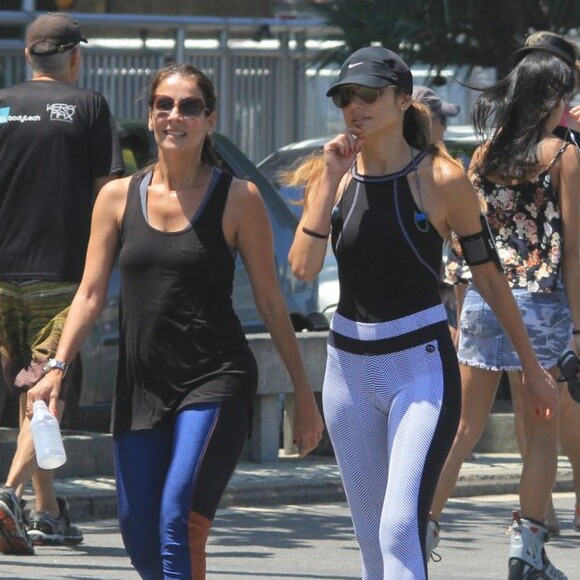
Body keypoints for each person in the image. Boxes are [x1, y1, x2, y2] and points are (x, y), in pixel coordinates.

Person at [26, 62, 324, 579]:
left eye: (189, 106)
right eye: (164, 104)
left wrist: (303, 396)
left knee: (176, 520)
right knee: (139, 532)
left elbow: (272, 303)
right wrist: (56, 366)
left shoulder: (238, 198)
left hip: (215, 380)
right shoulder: (117, 198)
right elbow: (90, 293)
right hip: (141, 385)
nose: (175, 115)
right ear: (151, 115)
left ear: (210, 119)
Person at [288, 45, 558, 580]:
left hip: (420, 363)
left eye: (368, 95)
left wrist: (530, 367)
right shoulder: (336, 176)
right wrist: (325, 187)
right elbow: (301, 267)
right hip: (348, 366)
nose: (354, 107)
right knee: (370, 543)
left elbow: (487, 275)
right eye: (345, 97)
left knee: (398, 528)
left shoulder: (439, 178)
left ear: (402, 99)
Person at [429, 33, 580, 579]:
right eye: (564, 96)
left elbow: (462, 239)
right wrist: (579, 332)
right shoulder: (564, 155)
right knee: (541, 431)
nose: (568, 106)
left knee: (464, 427)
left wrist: (460, 301)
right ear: (547, 98)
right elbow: (575, 255)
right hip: (541, 306)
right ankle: (528, 549)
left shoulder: (485, 154)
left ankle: (421, 527)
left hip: (483, 301)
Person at [0, 13, 124, 554]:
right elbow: (109, 197)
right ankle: (7, 495)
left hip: (1, 278)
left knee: (29, 397)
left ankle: (45, 511)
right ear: (75, 56)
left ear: (28, 55)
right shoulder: (89, 106)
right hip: (61, 278)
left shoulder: (0, 106)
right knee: (47, 394)